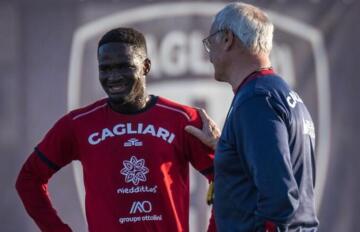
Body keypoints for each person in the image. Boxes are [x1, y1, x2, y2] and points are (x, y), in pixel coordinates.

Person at [16, 28, 216, 232]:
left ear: (146, 67)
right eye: (105, 69)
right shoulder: (78, 124)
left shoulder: (183, 120)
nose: (114, 77)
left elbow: (226, 178)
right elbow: (29, 179)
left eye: (124, 67)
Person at [185, 2, 319, 232]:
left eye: (209, 43)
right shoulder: (276, 92)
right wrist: (226, 147)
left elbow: (280, 195)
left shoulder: (256, 99)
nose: (209, 56)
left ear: (227, 38)